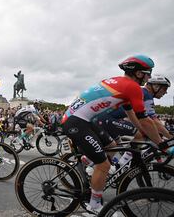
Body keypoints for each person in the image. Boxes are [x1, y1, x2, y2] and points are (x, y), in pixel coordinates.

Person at [61, 55, 173, 214]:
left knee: (113, 147)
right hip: (76, 122)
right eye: (147, 73)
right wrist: (161, 144)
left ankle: (88, 160)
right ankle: (94, 204)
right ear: (138, 73)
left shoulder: (121, 83)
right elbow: (147, 120)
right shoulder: (133, 87)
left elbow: (133, 116)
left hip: (84, 119)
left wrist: (142, 130)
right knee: (104, 165)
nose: (148, 78)